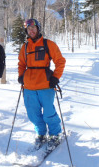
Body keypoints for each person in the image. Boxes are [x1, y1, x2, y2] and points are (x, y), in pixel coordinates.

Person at [18, 18, 66, 149]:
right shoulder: (25, 47)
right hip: (28, 86)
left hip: (45, 84)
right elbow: (21, 64)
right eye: (28, 29)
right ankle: (41, 134)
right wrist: (21, 76)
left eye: (33, 28)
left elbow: (60, 61)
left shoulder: (48, 44)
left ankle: (55, 134)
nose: (31, 31)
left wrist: (55, 77)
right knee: (33, 113)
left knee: (49, 112)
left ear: (38, 28)